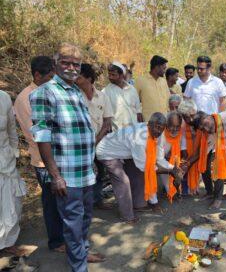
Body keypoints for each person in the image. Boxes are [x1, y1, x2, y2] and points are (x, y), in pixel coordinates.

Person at [30, 43, 105, 271]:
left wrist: (91, 164)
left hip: (85, 172)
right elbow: (42, 137)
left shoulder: (75, 92)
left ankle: (80, 254)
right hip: (66, 176)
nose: (72, 67)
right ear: (56, 64)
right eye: (66, 62)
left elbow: (82, 132)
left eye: (76, 64)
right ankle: (78, 266)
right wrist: (55, 176)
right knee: (72, 225)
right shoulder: (44, 93)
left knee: (84, 221)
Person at [14, 56, 64, 253]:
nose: (54, 80)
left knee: (61, 200)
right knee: (51, 203)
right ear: (37, 75)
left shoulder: (48, 91)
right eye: (50, 76)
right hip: (44, 161)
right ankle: (56, 242)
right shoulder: (25, 98)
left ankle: (63, 236)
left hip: (58, 156)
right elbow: (37, 134)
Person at [96, 112, 184, 221]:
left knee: (137, 174)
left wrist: (173, 168)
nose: (158, 131)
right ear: (150, 124)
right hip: (107, 152)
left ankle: (138, 204)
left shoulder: (158, 132)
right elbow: (146, 168)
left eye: (161, 129)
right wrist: (170, 171)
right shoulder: (140, 140)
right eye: (156, 128)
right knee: (123, 181)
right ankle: (127, 216)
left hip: (125, 151)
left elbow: (159, 158)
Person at [75, 63, 113, 209]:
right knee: (83, 174)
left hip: (99, 142)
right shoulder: (75, 97)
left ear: (89, 78)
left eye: (79, 77)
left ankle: (97, 200)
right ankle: (83, 203)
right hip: (80, 145)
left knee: (100, 172)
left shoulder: (102, 97)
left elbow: (107, 121)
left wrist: (96, 140)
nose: (75, 80)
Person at [0, 90, 27, 256]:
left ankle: (8, 242)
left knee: (12, 202)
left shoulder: (3, 97)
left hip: (5, 159)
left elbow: (11, 129)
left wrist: (13, 152)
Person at [102, 61, 142, 130]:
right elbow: (104, 116)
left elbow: (138, 111)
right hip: (116, 134)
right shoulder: (105, 92)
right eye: (109, 74)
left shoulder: (132, 89)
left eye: (113, 75)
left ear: (121, 75)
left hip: (133, 131)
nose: (110, 77)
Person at [136, 55, 171, 121]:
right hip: (148, 121)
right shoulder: (140, 80)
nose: (165, 71)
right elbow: (133, 100)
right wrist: (138, 112)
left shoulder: (163, 81)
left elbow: (168, 98)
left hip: (164, 120)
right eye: (164, 68)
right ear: (157, 67)